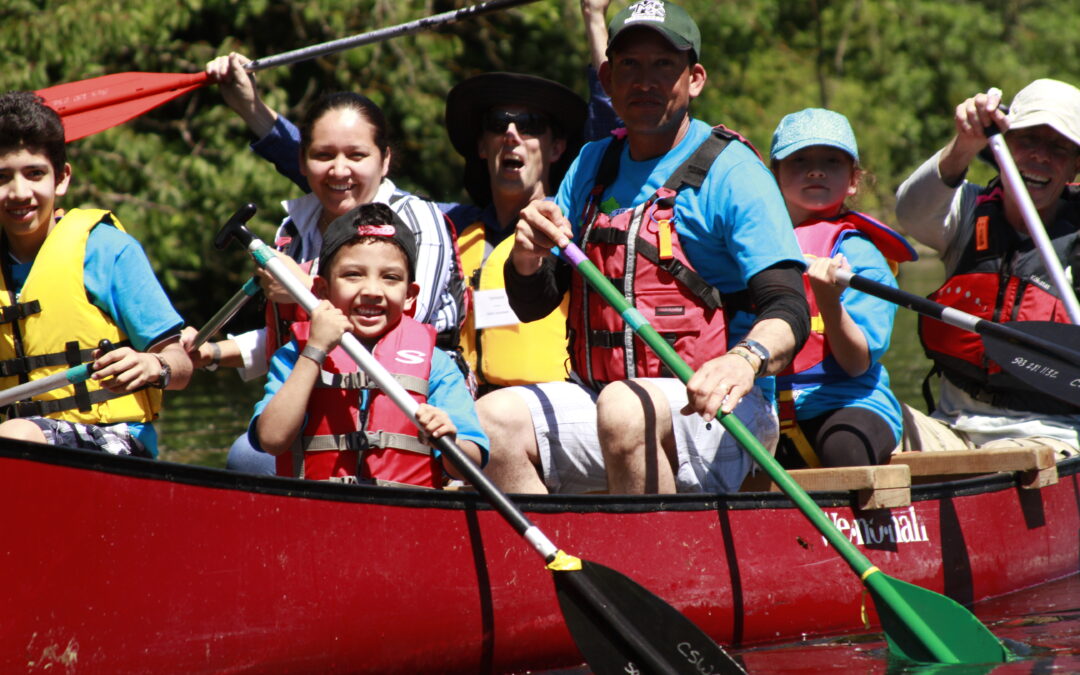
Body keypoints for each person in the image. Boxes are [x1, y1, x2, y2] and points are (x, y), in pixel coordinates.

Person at [479, 0, 810, 494]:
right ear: (608, 79)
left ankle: (654, 561)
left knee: (623, 407)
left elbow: (790, 307)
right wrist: (527, 260)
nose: (645, 81)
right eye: (630, 65)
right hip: (604, 397)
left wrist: (745, 358)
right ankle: (557, 564)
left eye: (663, 65)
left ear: (694, 79)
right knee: (489, 421)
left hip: (721, 408)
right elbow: (534, 304)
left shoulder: (735, 172)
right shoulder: (593, 162)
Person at [245, 2, 620, 394]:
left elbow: (612, 136)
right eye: (498, 124)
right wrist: (251, 108)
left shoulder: (573, 218)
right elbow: (342, 181)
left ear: (557, 147)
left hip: (557, 400)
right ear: (481, 145)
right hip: (474, 401)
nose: (512, 134)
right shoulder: (454, 224)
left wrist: (594, 21)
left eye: (529, 125)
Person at [186, 55, 464, 473]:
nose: (339, 170)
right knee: (248, 455)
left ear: (384, 160)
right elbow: (292, 337)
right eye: (323, 155)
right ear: (301, 162)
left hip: (420, 400)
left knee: (252, 459)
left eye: (356, 155)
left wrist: (304, 287)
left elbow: (393, 328)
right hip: (322, 384)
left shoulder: (419, 220)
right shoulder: (294, 229)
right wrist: (211, 353)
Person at [894, 78, 1080, 457]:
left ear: (1075, 166)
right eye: (1027, 140)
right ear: (1003, 149)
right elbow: (910, 213)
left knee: (1010, 461)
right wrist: (964, 144)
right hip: (951, 426)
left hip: (1052, 436)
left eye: (1058, 147)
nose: (1041, 156)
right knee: (860, 416)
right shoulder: (967, 212)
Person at [0, 91, 192, 457]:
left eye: (34, 174)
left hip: (113, 438)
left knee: (14, 437)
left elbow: (181, 365)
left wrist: (154, 363)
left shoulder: (107, 250)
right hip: (13, 439)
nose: (19, 192)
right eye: (2, 177)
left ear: (61, 179)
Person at [250, 203, 487, 486]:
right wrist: (313, 353)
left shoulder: (437, 364)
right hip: (317, 507)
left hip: (405, 512)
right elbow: (272, 440)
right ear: (323, 290)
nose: (372, 291)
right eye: (353, 275)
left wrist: (449, 439)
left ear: (410, 295)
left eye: (390, 278)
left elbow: (468, 465)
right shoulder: (296, 355)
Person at [767, 108, 916, 468]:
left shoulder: (863, 256)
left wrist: (829, 302)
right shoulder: (754, 246)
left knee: (845, 449)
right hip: (765, 405)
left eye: (831, 161)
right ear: (775, 175)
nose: (815, 170)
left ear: (852, 180)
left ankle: (861, 524)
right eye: (799, 159)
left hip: (846, 402)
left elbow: (854, 364)